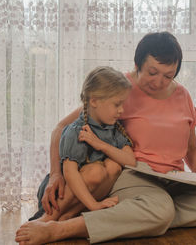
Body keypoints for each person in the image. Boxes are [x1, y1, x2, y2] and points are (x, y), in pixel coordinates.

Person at [16, 32, 196, 245]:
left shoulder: (183, 96)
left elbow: (191, 151)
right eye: (152, 72)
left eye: (168, 75)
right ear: (137, 64)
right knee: (161, 209)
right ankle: (59, 229)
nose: (159, 81)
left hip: (175, 179)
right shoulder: (119, 88)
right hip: (135, 174)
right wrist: (55, 173)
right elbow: (62, 127)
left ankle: (139, 217)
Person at [30, 66, 136, 222]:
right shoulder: (77, 130)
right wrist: (94, 205)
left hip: (84, 196)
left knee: (114, 165)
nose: (122, 110)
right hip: (60, 193)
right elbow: (70, 173)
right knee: (96, 172)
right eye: (117, 104)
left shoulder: (113, 128)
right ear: (94, 101)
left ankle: (69, 216)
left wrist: (101, 145)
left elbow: (131, 161)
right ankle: (46, 218)